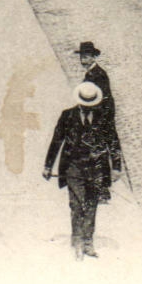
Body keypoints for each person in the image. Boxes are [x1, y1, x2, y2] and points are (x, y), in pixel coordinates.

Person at [43, 81, 124, 260]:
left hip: (96, 168)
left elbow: (113, 143)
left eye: (91, 105)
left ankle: (88, 241)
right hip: (73, 167)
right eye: (85, 105)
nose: (87, 108)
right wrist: (48, 166)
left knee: (91, 204)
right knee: (76, 204)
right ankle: (78, 241)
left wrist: (117, 167)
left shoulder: (104, 117)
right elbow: (56, 141)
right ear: (79, 102)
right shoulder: (67, 116)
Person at [75, 40, 114, 125]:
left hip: (101, 118)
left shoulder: (99, 74)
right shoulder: (90, 73)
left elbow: (105, 99)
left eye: (85, 57)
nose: (82, 61)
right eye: (81, 57)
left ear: (93, 57)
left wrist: (98, 121)